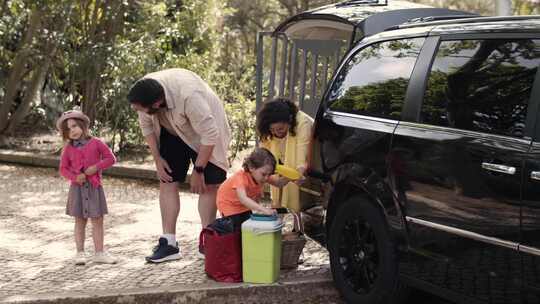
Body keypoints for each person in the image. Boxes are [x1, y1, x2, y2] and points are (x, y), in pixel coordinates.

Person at [127, 68, 231, 263]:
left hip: (206, 134)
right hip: (170, 130)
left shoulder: (190, 95)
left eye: (141, 109)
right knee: (166, 180)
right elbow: (146, 126)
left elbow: (210, 134)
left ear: (157, 103)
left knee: (209, 185)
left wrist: (199, 169)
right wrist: (157, 159)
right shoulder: (145, 92)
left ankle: (207, 240)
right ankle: (169, 244)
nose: (137, 112)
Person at [57, 110, 117, 265]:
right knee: (80, 220)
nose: (73, 131)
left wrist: (95, 167)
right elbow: (63, 169)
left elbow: (111, 158)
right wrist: (75, 177)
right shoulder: (68, 149)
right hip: (77, 189)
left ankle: (99, 252)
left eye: (75, 126)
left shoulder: (96, 143)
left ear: (83, 125)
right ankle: (80, 253)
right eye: (68, 130)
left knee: (97, 220)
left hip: (95, 187)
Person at [256, 97, 314, 212]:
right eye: (272, 130)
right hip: (281, 167)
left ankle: (299, 226)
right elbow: (262, 157)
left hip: (310, 165)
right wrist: (270, 179)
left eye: (280, 129)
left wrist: (299, 175)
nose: (277, 133)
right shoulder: (268, 131)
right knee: (278, 203)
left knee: (302, 204)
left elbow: (302, 156)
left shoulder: (303, 123)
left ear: (290, 119)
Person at [216, 148, 277, 229]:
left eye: (269, 175)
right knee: (235, 227)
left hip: (243, 206)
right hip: (229, 205)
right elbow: (243, 198)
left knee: (247, 226)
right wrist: (264, 210)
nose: (266, 178)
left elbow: (278, 183)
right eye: (264, 174)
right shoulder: (240, 177)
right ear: (251, 167)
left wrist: (292, 177)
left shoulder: (259, 177)